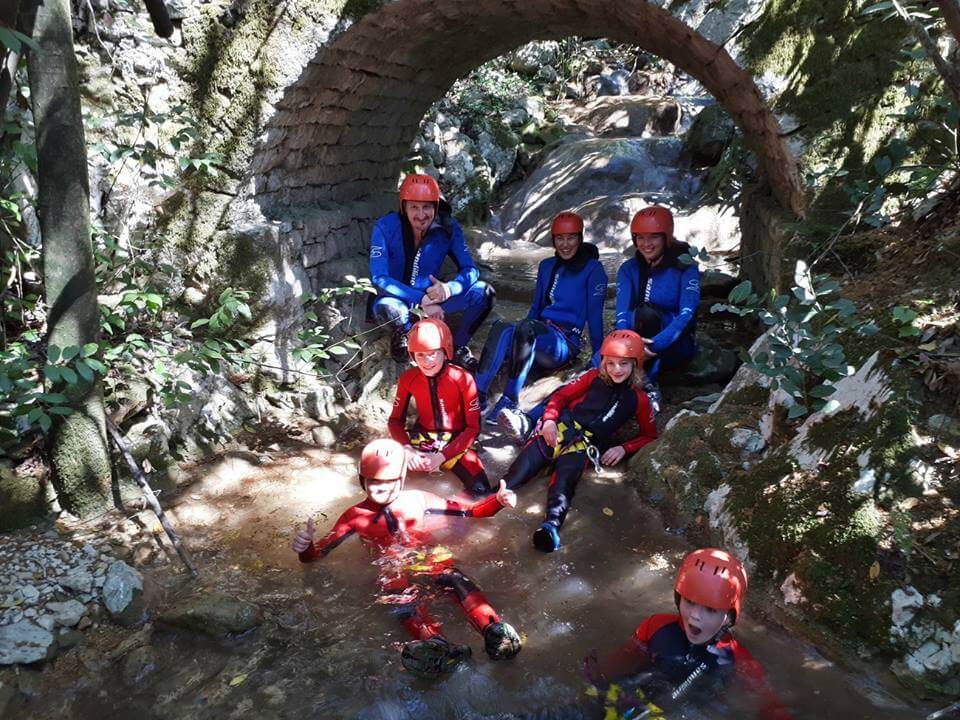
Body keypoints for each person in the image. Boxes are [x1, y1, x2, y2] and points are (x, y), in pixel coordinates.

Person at [292, 438, 522, 677]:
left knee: (454, 577)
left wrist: (497, 502)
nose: (383, 488)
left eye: (390, 481)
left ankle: (493, 629)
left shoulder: (418, 499)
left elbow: (469, 511)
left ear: (401, 478)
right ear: (363, 481)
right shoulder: (354, 517)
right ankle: (434, 643)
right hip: (389, 562)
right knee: (397, 592)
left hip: (424, 552)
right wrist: (305, 547)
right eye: (374, 482)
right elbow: (317, 555)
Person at [585, 548, 792, 719]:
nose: (695, 616)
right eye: (690, 602)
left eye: (710, 609)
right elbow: (622, 661)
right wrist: (600, 678)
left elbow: (770, 706)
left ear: (729, 617)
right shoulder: (655, 626)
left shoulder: (737, 659)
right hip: (628, 700)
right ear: (678, 598)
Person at [499, 330, 657, 552]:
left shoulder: (639, 399)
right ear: (603, 362)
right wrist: (549, 421)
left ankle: (550, 527)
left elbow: (650, 435)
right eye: (610, 363)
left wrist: (624, 448)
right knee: (516, 474)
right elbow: (559, 397)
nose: (616, 369)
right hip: (559, 430)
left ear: (635, 364)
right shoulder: (592, 377)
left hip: (584, 445)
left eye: (624, 363)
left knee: (564, 484)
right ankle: (488, 498)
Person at [474, 211, 607, 432]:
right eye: (560, 239)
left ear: (580, 238)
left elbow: (594, 316)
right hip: (540, 332)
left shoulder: (594, 270)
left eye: (571, 238)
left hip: (565, 342)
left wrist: (599, 354)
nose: (565, 244)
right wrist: (517, 340)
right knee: (503, 327)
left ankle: (510, 400)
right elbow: (536, 308)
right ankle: (477, 396)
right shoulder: (547, 266)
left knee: (526, 330)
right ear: (553, 240)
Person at [369, 173, 494, 364]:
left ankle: (456, 346)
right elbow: (379, 278)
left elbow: (471, 270)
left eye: (427, 207)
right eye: (414, 207)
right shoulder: (386, 227)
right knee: (388, 309)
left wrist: (449, 289)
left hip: (436, 299)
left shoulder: (449, 228)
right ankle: (407, 334)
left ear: (436, 207)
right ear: (404, 207)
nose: (421, 215)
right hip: (398, 300)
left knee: (485, 293)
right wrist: (422, 300)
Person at [388, 318, 491, 497]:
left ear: (445, 351)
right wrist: (407, 448)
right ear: (412, 355)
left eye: (433, 353)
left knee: (481, 492)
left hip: (457, 441)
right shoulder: (408, 378)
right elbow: (395, 421)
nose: (427, 361)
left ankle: (447, 516)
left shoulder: (462, 379)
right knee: (377, 474)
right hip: (422, 438)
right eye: (420, 354)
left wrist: (442, 456)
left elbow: (473, 429)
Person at [615, 205, 700, 413]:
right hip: (635, 342)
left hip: (675, 344)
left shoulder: (686, 267)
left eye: (653, 237)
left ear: (666, 237)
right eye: (640, 238)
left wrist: (655, 346)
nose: (646, 244)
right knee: (601, 357)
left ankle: (648, 385)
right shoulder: (628, 269)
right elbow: (621, 313)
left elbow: (687, 315)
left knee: (647, 313)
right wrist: (626, 342)